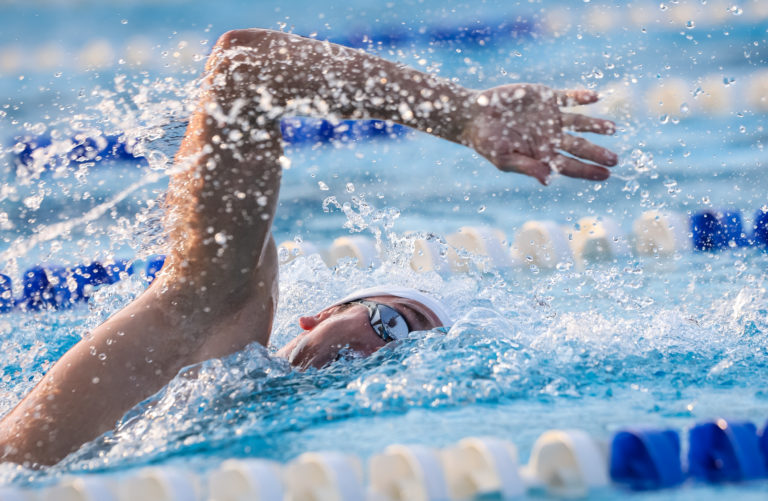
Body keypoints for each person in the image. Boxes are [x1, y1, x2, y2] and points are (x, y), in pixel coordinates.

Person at [0, 28, 617, 466]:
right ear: (319, 313)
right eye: (391, 324)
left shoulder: (262, 436)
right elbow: (245, 67)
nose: (382, 355)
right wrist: (461, 115)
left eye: (412, 356)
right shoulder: (219, 320)